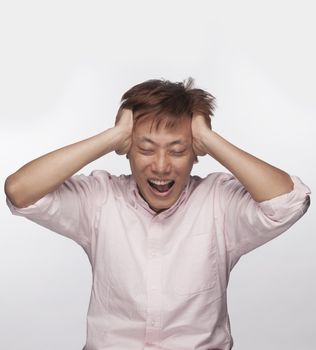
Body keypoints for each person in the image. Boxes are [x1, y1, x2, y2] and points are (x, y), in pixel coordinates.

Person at [5, 77, 311, 350]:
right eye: (146, 149)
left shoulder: (219, 201)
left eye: (178, 150)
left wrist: (210, 139)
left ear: (195, 152)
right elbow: (19, 190)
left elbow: (289, 203)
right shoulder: (100, 199)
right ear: (127, 148)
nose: (162, 166)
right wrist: (111, 137)